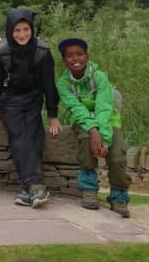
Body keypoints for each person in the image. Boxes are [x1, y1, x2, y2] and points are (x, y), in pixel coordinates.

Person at [0, 9, 61, 208]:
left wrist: (53, 115)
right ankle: (35, 186)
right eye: (17, 30)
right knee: (19, 137)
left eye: (26, 29)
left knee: (35, 136)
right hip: (9, 100)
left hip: (33, 99)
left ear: (32, 29)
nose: (21, 34)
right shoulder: (1, 50)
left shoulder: (42, 51)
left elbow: (49, 84)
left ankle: (27, 189)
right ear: (10, 30)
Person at [55, 37, 132, 218]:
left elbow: (104, 107)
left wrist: (103, 137)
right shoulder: (63, 83)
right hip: (84, 122)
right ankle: (89, 189)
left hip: (108, 120)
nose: (75, 59)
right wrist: (93, 131)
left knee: (117, 156)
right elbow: (76, 108)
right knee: (85, 142)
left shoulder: (99, 77)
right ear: (64, 60)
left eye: (80, 54)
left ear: (87, 56)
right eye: (70, 56)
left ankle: (119, 196)